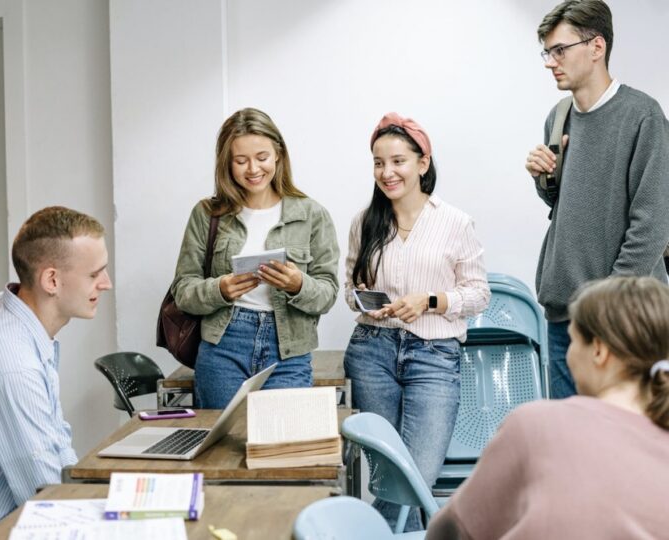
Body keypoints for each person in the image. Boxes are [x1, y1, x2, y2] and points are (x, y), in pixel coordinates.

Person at [425, 276, 669, 539]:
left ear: (599, 350)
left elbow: (450, 531)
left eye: (573, 341)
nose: (567, 355)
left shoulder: (536, 424)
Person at [344, 112, 490, 532]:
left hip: (434, 357)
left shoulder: (455, 222)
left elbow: (479, 294)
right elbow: (349, 291)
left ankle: (374, 532)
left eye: (397, 161)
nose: (386, 172)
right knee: (387, 475)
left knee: (415, 477)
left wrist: (429, 300)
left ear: (423, 163)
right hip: (372, 352)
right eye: (378, 162)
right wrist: (366, 303)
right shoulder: (365, 222)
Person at [525, 0, 669, 399]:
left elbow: (652, 225)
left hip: (624, 319)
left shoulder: (643, 116)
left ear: (596, 46)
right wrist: (545, 179)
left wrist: (605, 306)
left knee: (629, 446)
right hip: (563, 317)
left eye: (559, 50)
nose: (550, 62)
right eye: (547, 52)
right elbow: (566, 206)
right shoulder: (558, 116)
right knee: (574, 446)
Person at [0, 206, 112, 539]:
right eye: (95, 274)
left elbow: (54, 437)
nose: (106, 284)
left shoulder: (1, 307)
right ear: (51, 280)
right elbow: (45, 497)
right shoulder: (12, 367)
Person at [171, 107, 339, 409]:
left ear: (278, 155)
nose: (253, 169)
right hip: (223, 346)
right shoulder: (207, 215)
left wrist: (298, 284)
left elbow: (328, 294)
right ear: (227, 163)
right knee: (221, 449)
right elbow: (183, 291)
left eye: (262, 157)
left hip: (289, 350)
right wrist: (219, 289)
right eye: (240, 160)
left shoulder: (312, 215)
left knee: (281, 448)